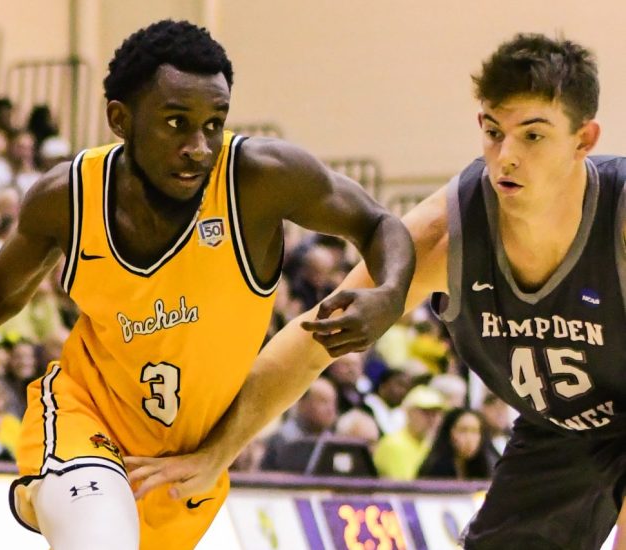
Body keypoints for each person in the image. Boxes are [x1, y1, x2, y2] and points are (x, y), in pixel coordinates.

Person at [0, 19, 414, 550]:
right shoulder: (69, 198)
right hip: (87, 419)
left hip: (187, 456)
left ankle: (38, 499)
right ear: (120, 119)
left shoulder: (261, 178)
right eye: (175, 123)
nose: (199, 147)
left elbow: (379, 223)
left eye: (214, 124)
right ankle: (50, 485)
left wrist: (388, 296)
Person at [126, 34, 626, 550]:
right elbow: (314, 337)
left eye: (534, 136)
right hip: (563, 427)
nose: (507, 157)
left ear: (584, 140)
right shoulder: (448, 235)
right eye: (495, 132)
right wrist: (216, 453)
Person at [417, 407, 497, 480]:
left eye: (475, 431)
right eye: (463, 430)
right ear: (449, 433)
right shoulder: (433, 469)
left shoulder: (488, 467)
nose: (469, 438)